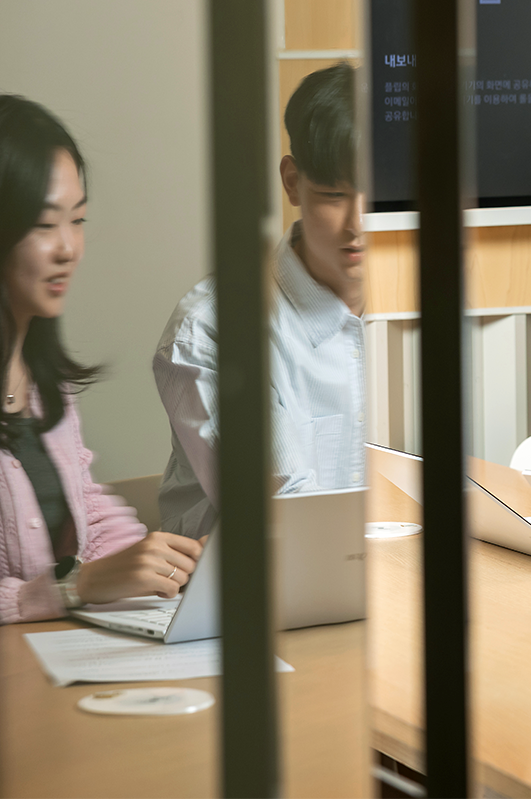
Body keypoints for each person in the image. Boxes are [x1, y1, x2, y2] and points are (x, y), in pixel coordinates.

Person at [0, 95, 204, 624]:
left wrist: (156, 562)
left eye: (79, 219)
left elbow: (85, 508)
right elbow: (65, 581)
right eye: (45, 225)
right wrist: (72, 586)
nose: (70, 248)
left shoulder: (43, 381)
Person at [155, 63, 366, 537]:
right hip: (240, 598)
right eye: (335, 195)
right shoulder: (214, 327)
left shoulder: (413, 310)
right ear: (292, 181)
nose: (359, 225)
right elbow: (286, 514)